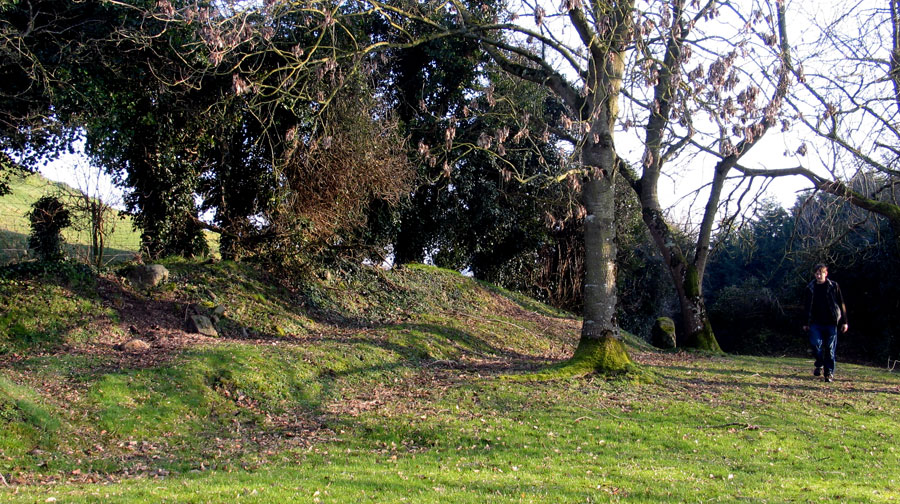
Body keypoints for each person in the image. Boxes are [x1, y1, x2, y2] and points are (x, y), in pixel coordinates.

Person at [802, 264, 848, 383]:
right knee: (814, 344)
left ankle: (829, 373)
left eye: (820, 273)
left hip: (831, 322)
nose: (818, 276)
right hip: (815, 323)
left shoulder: (834, 286)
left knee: (830, 348)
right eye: (816, 273)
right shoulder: (810, 288)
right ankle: (820, 363)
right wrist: (805, 322)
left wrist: (844, 322)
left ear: (826, 273)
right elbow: (806, 307)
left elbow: (841, 303)